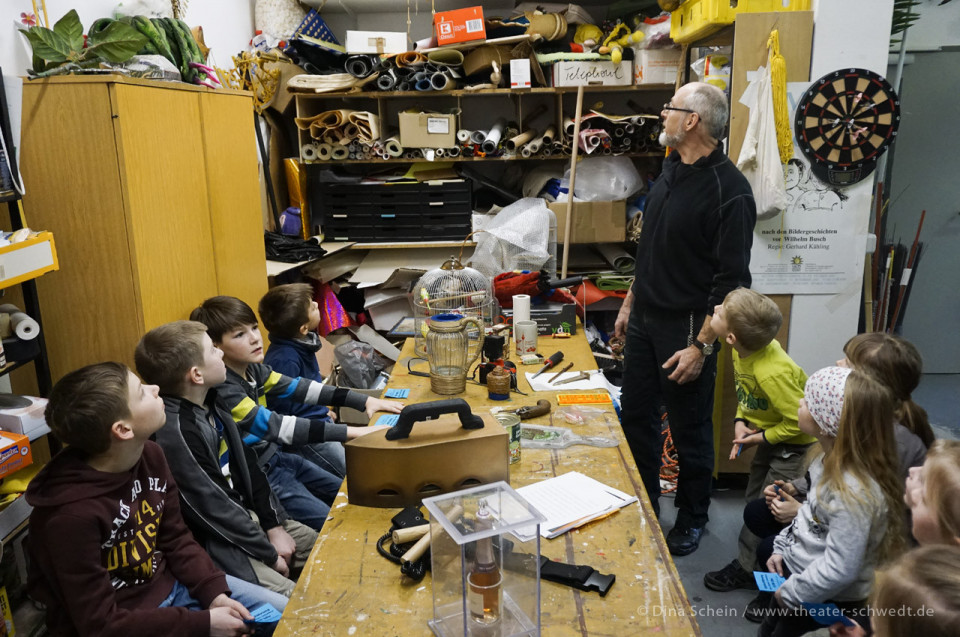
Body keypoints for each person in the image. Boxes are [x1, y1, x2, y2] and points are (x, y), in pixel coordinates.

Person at [614, 81, 757, 556]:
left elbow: (731, 285)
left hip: (688, 327)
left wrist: (701, 347)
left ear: (692, 120)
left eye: (669, 108)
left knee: (689, 427)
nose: (663, 115)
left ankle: (693, 517)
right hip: (645, 318)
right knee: (637, 415)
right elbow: (650, 249)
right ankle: (646, 501)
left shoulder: (730, 191)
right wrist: (629, 304)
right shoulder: (670, 168)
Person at [25, 362, 262, 637]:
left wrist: (213, 592)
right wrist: (203, 624)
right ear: (123, 429)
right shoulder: (68, 518)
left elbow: (176, 538)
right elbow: (100, 625)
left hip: (174, 589)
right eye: (141, 392)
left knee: (288, 613)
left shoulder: (150, 455)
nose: (155, 388)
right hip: (127, 622)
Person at [189, 296, 403, 530]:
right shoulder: (225, 389)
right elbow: (276, 426)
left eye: (254, 328)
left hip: (279, 459)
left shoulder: (253, 370)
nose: (254, 338)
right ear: (216, 347)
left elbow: (301, 388)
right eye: (239, 335)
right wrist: (353, 432)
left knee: (354, 493)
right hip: (261, 477)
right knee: (334, 523)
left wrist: (364, 401)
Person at [135, 320, 316, 598]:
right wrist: (269, 555)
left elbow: (250, 467)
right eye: (212, 350)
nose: (220, 352)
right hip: (223, 542)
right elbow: (215, 509)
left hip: (251, 522)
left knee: (328, 546)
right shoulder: (178, 431)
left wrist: (274, 525)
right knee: (294, 600)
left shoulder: (213, 398)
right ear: (196, 375)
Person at [758, 367, 906, 637]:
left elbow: (840, 569)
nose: (800, 403)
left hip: (822, 595)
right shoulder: (824, 459)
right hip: (800, 578)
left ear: (827, 425)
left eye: (808, 402)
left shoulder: (853, 492)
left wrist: (791, 593)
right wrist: (781, 547)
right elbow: (808, 519)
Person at [702, 289, 814, 592]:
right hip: (771, 436)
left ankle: (756, 570)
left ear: (730, 337)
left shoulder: (771, 371)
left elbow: (798, 422)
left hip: (792, 445)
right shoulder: (745, 350)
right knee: (755, 497)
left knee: (771, 505)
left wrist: (759, 438)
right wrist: (741, 421)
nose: (715, 307)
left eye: (721, 311)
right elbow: (747, 393)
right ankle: (754, 560)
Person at [259, 283, 345, 478]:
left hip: (317, 419)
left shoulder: (300, 342)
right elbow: (281, 408)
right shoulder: (284, 359)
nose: (317, 304)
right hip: (308, 435)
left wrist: (322, 410)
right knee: (351, 473)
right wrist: (315, 417)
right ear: (303, 328)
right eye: (312, 307)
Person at [839, 331, 933, 477]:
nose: (838, 363)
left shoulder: (895, 440)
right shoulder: (861, 415)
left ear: (871, 385)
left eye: (847, 363)